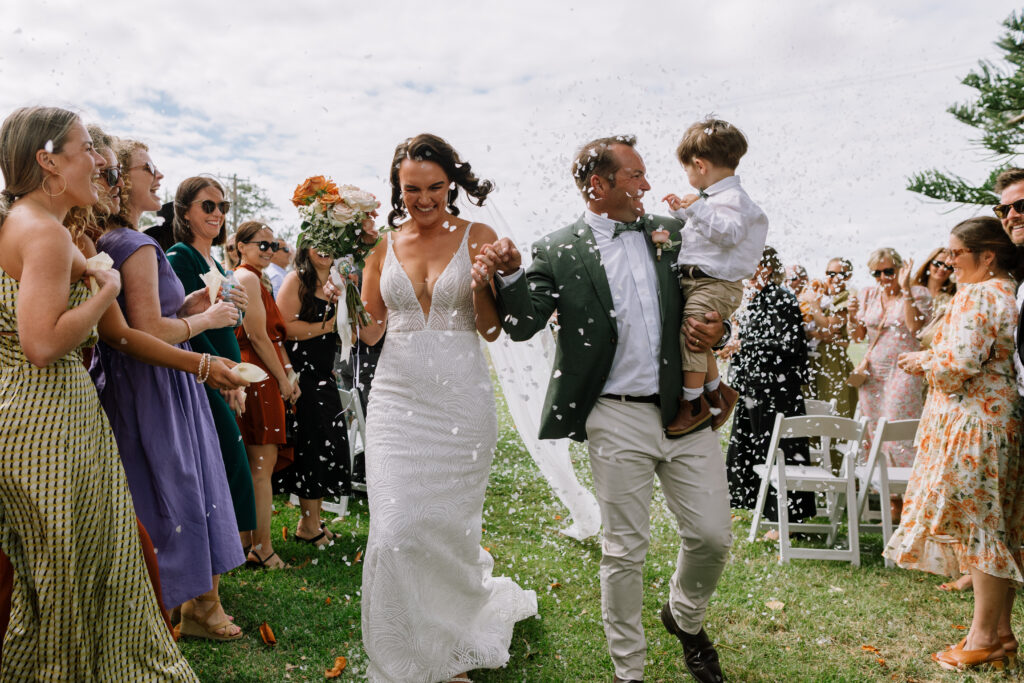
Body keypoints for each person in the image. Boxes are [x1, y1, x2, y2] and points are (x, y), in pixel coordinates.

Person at [481, 135, 731, 683]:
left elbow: (714, 292)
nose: (646, 185)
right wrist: (509, 275)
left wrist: (722, 326)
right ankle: (629, 672)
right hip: (614, 415)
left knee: (713, 537)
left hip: (685, 413)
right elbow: (522, 325)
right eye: (636, 175)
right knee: (625, 550)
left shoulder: (676, 232)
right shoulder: (558, 248)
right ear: (599, 184)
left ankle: (684, 618)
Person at [0, 106, 195, 679]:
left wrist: (85, 266)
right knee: (74, 566)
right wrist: (105, 286)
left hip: (23, 410)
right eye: (87, 149)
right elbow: (41, 343)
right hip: (49, 418)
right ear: (49, 160)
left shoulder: (19, 222)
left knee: (49, 566)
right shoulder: (45, 235)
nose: (97, 161)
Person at [349, 133, 537, 683]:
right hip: (397, 400)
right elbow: (370, 330)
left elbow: (492, 326)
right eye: (413, 189)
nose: (424, 199)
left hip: (461, 401)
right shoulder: (380, 246)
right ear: (397, 188)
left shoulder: (477, 235)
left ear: (451, 184)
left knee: (448, 530)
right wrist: (343, 288)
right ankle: (402, 652)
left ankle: (448, 640)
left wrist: (484, 282)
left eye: (435, 187)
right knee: (394, 530)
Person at [93, 137, 245, 640]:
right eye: (146, 168)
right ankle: (176, 609)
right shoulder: (133, 244)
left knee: (173, 485)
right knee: (175, 488)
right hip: (156, 386)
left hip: (150, 383)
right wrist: (207, 322)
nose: (157, 176)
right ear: (118, 180)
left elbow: (152, 317)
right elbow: (145, 333)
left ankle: (196, 604)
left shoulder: (119, 241)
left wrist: (190, 304)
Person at [887, 217, 1024, 671]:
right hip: (1001, 422)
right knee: (997, 526)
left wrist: (921, 358)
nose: (947, 261)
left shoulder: (980, 293)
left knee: (977, 524)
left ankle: (983, 638)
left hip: (973, 425)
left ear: (987, 256)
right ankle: (1001, 635)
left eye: (955, 253)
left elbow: (958, 364)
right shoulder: (1008, 292)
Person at [661, 118, 769, 436]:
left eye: (688, 171)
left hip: (717, 283)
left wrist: (695, 209)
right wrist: (683, 212)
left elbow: (729, 233)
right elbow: (706, 235)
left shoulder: (735, 201)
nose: (689, 178)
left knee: (693, 334)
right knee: (695, 335)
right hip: (699, 280)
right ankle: (719, 391)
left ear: (699, 165)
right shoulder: (712, 202)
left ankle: (692, 403)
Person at [166, 176, 258, 545]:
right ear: (185, 213)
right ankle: (213, 565)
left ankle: (218, 568)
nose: (217, 213)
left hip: (224, 371)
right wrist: (222, 373)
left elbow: (227, 320)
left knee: (228, 464)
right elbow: (184, 321)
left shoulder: (217, 261)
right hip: (202, 375)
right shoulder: (179, 256)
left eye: (223, 207)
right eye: (208, 205)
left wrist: (239, 311)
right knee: (224, 463)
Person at [724, 247, 814, 527]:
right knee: (749, 449)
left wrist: (743, 344)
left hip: (776, 390)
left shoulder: (781, 297)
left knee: (779, 451)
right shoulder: (752, 298)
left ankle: (788, 520)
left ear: (767, 267)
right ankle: (759, 507)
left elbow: (788, 346)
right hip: (751, 387)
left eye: (752, 263)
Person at [234, 220, 299, 570]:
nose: (268, 251)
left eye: (272, 246)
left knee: (258, 465)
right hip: (256, 373)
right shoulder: (245, 278)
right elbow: (257, 336)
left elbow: (273, 338)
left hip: (264, 370)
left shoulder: (259, 280)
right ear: (241, 246)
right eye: (261, 244)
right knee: (261, 465)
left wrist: (288, 373)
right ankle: (262, 547)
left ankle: (248, 540)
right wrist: (282, 380)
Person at [275, 244, 350, 544]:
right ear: (306, 247)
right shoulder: (297, 280)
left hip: (324, 375)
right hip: (302, 378)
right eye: (318, 245)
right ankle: (307, 526)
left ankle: (315, 521)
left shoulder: (337, 284)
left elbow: (348, 331)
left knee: (327, 447)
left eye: (332, 246)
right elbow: (284, 329)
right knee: (310, 448)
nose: (325, 251)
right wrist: (329, 325)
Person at [849, 247, 931, 475]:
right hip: (873, 372)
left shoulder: (919, 293)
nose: (883, 278)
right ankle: (880, 490)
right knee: (873, 428)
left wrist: (905, 289)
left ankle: (907, 487)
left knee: (898, 426)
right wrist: (851, 316)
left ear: (900, 269)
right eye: (877, 273)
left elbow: (916, 328)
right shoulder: (868, 294)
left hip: (904, 369)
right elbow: (858, 337)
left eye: (888, 271)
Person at [800, 258, 858, 423]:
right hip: (810, 362)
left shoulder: (846, 298)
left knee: (831, 413)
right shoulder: (820, 293)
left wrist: (813, 304)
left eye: (841, 274)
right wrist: (816, 333)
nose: (835, 278)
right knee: (809, 414)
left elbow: (827, 328)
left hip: (832, 364)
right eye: (831, 273)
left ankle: (832, 449)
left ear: (848, 277)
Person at [913, 247, 956, 349]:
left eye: (948, 266)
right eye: (937, 264)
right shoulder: (912, 291)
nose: (942, 268)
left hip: (931, 351)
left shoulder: (952, 299)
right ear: (929, 265)